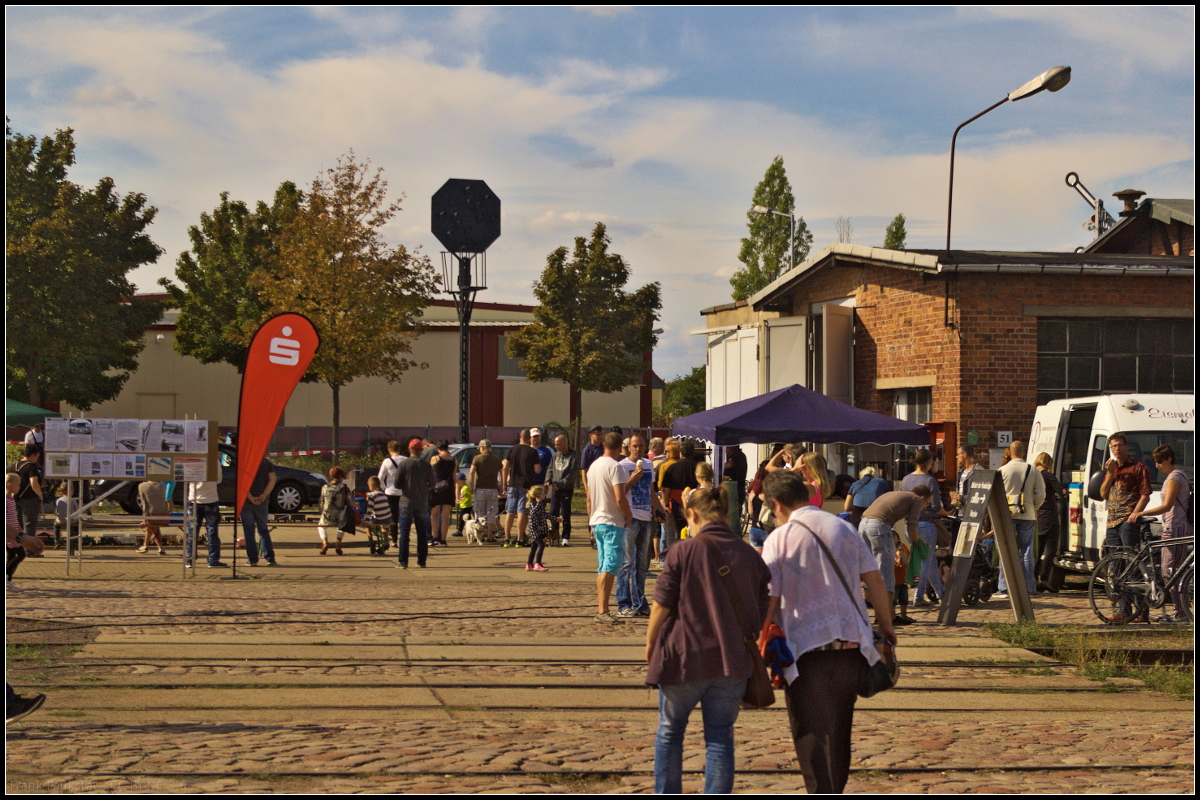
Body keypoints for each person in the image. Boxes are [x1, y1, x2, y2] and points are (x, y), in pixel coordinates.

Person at [761, 470, 897, 794]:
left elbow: (770, 597)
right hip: (851, 649)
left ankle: (821, 791)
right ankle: (834, 788)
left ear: (777, 504)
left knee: (809, 732)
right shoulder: (843, 528)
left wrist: (759, 637)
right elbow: (874, 579)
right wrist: (887, 627)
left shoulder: (779, 538)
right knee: (838, 730)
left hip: (807, 651)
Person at [645, 485, 770, 795]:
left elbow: (661, 604)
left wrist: (651, 644)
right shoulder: (749, 555)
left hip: (684, 659)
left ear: (692, 514)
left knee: (670, 733)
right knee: (719, 738)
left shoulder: (683, 550)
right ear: (724, 514)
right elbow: (767, 610)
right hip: (732, 663)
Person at [1132, 445, 1191, 622]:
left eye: (1159, 461)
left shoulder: (1174, 478)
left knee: (1172, 572)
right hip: (1171, 526)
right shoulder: (1176, 476)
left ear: (1169, 459)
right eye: (1155, 461)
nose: (1157, 465)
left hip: (1175, 527)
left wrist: (1142, 513)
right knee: (1170, 571)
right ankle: (1178, 610)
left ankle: (1180, 613)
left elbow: (1167, 505)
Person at [858, 486, 931, 624]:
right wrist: (918, 544)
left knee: (871, 569)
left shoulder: (898, 493)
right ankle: (888, 617)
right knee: (886, 572)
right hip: (879, 526)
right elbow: (912, 526)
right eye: (927, 504)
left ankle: (872, 614)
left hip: (863, 525)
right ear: (922, 498)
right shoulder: (916, 500)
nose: (925, 507)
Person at [616, 434, 666, 618]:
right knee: (626, 563)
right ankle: (623, 602)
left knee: (642, 564)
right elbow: (619, 493)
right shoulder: (622, 466)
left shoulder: (648, 464)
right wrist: (632, 479)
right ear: (629, 447)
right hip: (630, 518)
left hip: (646, 517)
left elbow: (651, 492)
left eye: (640, 446)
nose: (637, 449)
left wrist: (660, 509)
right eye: (634, 446)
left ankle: (640, 602)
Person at [586, 431, 631, 623]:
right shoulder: (616, 467)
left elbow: (588, 498)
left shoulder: (593, 466)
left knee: (603, 565)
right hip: (612, 520)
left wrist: (590, 521)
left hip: (597, 520)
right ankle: (603, 610)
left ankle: (601, 607)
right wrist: (628, 514)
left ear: (604, 444)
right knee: (611, 565)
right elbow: (619, 496)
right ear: (620, 447)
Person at [993, 440, 1045, 600]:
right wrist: (1033, 506)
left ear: (1010, 452)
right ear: (1023, 452)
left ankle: (1004, 587)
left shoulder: (1001, 470)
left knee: (1006, 549)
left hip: (1007, 514)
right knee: (1027, 550)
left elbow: (996, 494)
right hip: (1027, 513)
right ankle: (1029, 587)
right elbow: (1041, 494)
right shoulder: (1033, 470)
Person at [900, 450, 949, 605]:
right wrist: (947, 512)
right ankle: (918, 596)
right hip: (927, 524)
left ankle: (941, 594)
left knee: (931, 561)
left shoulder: (906, 480)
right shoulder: (930, 480)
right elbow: (935, 507)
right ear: (928, 462)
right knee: (925, 561)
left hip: (910, 524)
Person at [1099, 432, 1152, 554]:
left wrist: (1134, 515)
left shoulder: (1138, 467)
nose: (1117, 449)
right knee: (1115, 562)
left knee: (1130, 559)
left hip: (1127, 521)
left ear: (1126, 446)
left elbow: (1145, 495)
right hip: (1111, 522)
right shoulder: (1111, 468)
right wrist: (1110, 474)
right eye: (1114, 446)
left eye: (1119, 445)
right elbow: (1103, 494)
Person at [394, 441, 434, 569]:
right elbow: (432, 484)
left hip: (406, 501)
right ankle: (421, 561)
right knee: (421, 532)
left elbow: (397, 484)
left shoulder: (404, 464)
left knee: (405, 532)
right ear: (421, 450)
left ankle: (403, 561)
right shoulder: (426, 465)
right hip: (422, 502)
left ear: (409, 449)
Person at [502, 429, 541, 546]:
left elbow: (505, 467)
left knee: (510, 511)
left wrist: (504, 483)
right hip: (525, 485)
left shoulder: (512, 449)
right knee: (521, 512)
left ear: (520, 437)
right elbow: (537, 469)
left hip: (512, 484)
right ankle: (520, 539)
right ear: (529, 438)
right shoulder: (532, 452)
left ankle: (506, 539)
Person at [659, 440, 699, 555]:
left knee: (672, 534)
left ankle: (674, 557)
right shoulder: (698, 467)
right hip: (694, 503)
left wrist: (666, 504)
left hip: (674, 504)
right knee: (693, 531)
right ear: (693, 453)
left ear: (681, 453)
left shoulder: (671, 468)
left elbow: (665, 489)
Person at [1033, 452, 1065, 594]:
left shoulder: (1032, 475)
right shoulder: (1048, 475)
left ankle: (1033, 579)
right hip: (1049, 516)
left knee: (1037, 550)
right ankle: (1044, 579)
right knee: (1050, 549)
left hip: (1036, 515)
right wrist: (1065, 492)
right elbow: (1060, 491)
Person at [241, 457, 277, 566]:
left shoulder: (245, 462)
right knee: (263, 530)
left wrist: (251, 497)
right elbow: (272, 479)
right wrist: (264, 495)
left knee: (249, 531)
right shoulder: (267, 462)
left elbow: (241, 482)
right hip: (262, 502)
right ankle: (270, 558)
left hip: (246, 502)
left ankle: (252, 559)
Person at [545, 434, 578, 547]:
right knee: (553, 512)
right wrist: (548, 480)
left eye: (558, 444)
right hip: (555, 489)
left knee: (565, 513)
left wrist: (560, 484)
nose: (556, 446)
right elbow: (550, 469)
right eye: (555, 444)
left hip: (566, 489)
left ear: (565, 443)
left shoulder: (572, 457)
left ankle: (566, 537)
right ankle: (554, 534)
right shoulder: (555, 456)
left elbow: (571, 475)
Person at [469, 439, 504, 541]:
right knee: (492, 513)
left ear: (483, 447)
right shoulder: (497, 459)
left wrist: (472, 486)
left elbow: (471, 472)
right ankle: (489, 536)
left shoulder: (477, 458)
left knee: (479, 511)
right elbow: (502, 473)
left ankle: (479, 535)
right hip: (493, 489)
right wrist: (501, 487)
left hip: (480, 489)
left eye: (480, 448)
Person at [186, 478, 224, 568]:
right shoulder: (214, 463)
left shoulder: (192, 463)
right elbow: (218, 479)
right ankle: (213, 559)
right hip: (210, 498)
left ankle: (189, 558)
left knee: (192, 531)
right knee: (212, 531)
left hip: (194, 499)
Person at [580, 426, 606, 549]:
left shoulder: (604, 448)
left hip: (603, 484)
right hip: (592, 484)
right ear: (591, 435)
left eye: (601, 434)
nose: (600, 437)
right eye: (597, 435)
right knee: (592, 510)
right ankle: (593, 537)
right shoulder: (587, 450)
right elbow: (584, 470)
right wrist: (586, 487)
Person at [377, 441, 407, 546]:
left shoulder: (387, 461)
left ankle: (394, 540)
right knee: (404, 515)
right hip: (404, 492)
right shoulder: (405, 460)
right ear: (399, 449)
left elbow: (380, 478)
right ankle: (404, 538)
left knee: (393, 517)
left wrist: (384, 488)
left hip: (390, 491)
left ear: (389, 450)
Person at [429, 440, 457, 548]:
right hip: (448, 488)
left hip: (436, 489)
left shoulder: (435, 458)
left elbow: (430, 473)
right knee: (445, 516)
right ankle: (444, 540)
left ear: (438, 448)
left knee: (434, 515)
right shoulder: (454, 460)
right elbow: (454, 477)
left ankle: (435, 537)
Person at [13, 445, 43, 544]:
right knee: (29, 524)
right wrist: (40, 495)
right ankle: (30, 549)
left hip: (16, 498)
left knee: (17, 524)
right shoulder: (31, 466)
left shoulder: (15, 465)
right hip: (30, 498)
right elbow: (33, 482)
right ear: (32, 455)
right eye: (37, 456)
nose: (37, 459)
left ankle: (18, 547)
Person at [317, 467, 350, 556]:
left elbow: (322, 504)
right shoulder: (344, 487)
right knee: (341, 526)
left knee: (321, 526)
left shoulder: (325, 487)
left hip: (327, 515)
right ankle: (338, 544)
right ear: (340, 476)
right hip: (339, 516)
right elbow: (349, 501)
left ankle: (324, 543)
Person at [137, 480, 169, 556]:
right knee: (151, 528)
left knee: (152, 526)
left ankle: (160, 547)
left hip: (151, 513)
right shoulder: (163, 485)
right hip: (164, 514)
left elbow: (144, 504)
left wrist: (144, 519)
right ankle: (145, 546)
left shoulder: (142, 486)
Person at [525, 485, 550, 572]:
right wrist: (539, 503)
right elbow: (533, 512)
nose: (544, 495)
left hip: (538, 529)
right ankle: (538, 564)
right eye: (543, 493)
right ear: (538, 496)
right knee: (541, 545)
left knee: (534, 546)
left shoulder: (540, 505)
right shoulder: (533, 504)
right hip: (533, 529)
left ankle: (529, 564)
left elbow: (544, 515)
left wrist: (555, 518)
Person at [365, 476, 392, 555]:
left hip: (378, 518)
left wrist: (365, 519)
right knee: (385, 526)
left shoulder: (372, 496)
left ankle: (371, 541)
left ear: (371, 486)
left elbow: (369, 510)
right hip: (387, 518)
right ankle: (386, 541)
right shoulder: (383, 494)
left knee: (366, 525)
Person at [951, 445, 978, 511]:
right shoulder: (961, 472)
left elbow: (978, 492)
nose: (956, 457)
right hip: (960, 512)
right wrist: (955, 502)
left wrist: (962, 498)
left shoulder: (978, 471)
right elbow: (959, 492)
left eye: (958, 454)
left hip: (971, 512)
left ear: (965, 454)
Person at [723, 445, 748, 513]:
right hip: (732, 489)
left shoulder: (739, 455)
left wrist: (720, 466)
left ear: (732, 447)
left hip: (737, 489)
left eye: (727, 448)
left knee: (735, 511)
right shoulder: (733, 456)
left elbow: (731, 464)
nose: (726, 450)